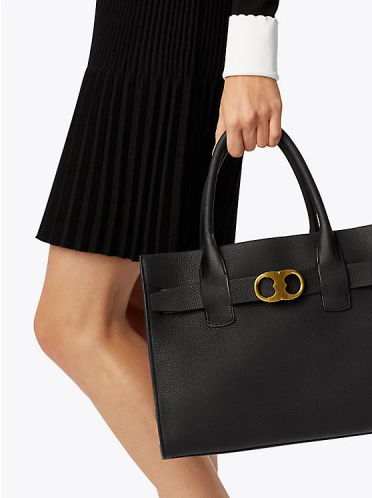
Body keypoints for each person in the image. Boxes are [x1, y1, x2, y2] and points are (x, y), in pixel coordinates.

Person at [34, 1, 282, 496]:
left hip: (167, 29)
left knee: (73, 324)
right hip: (141, 28)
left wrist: (251, 50)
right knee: (153, 323)